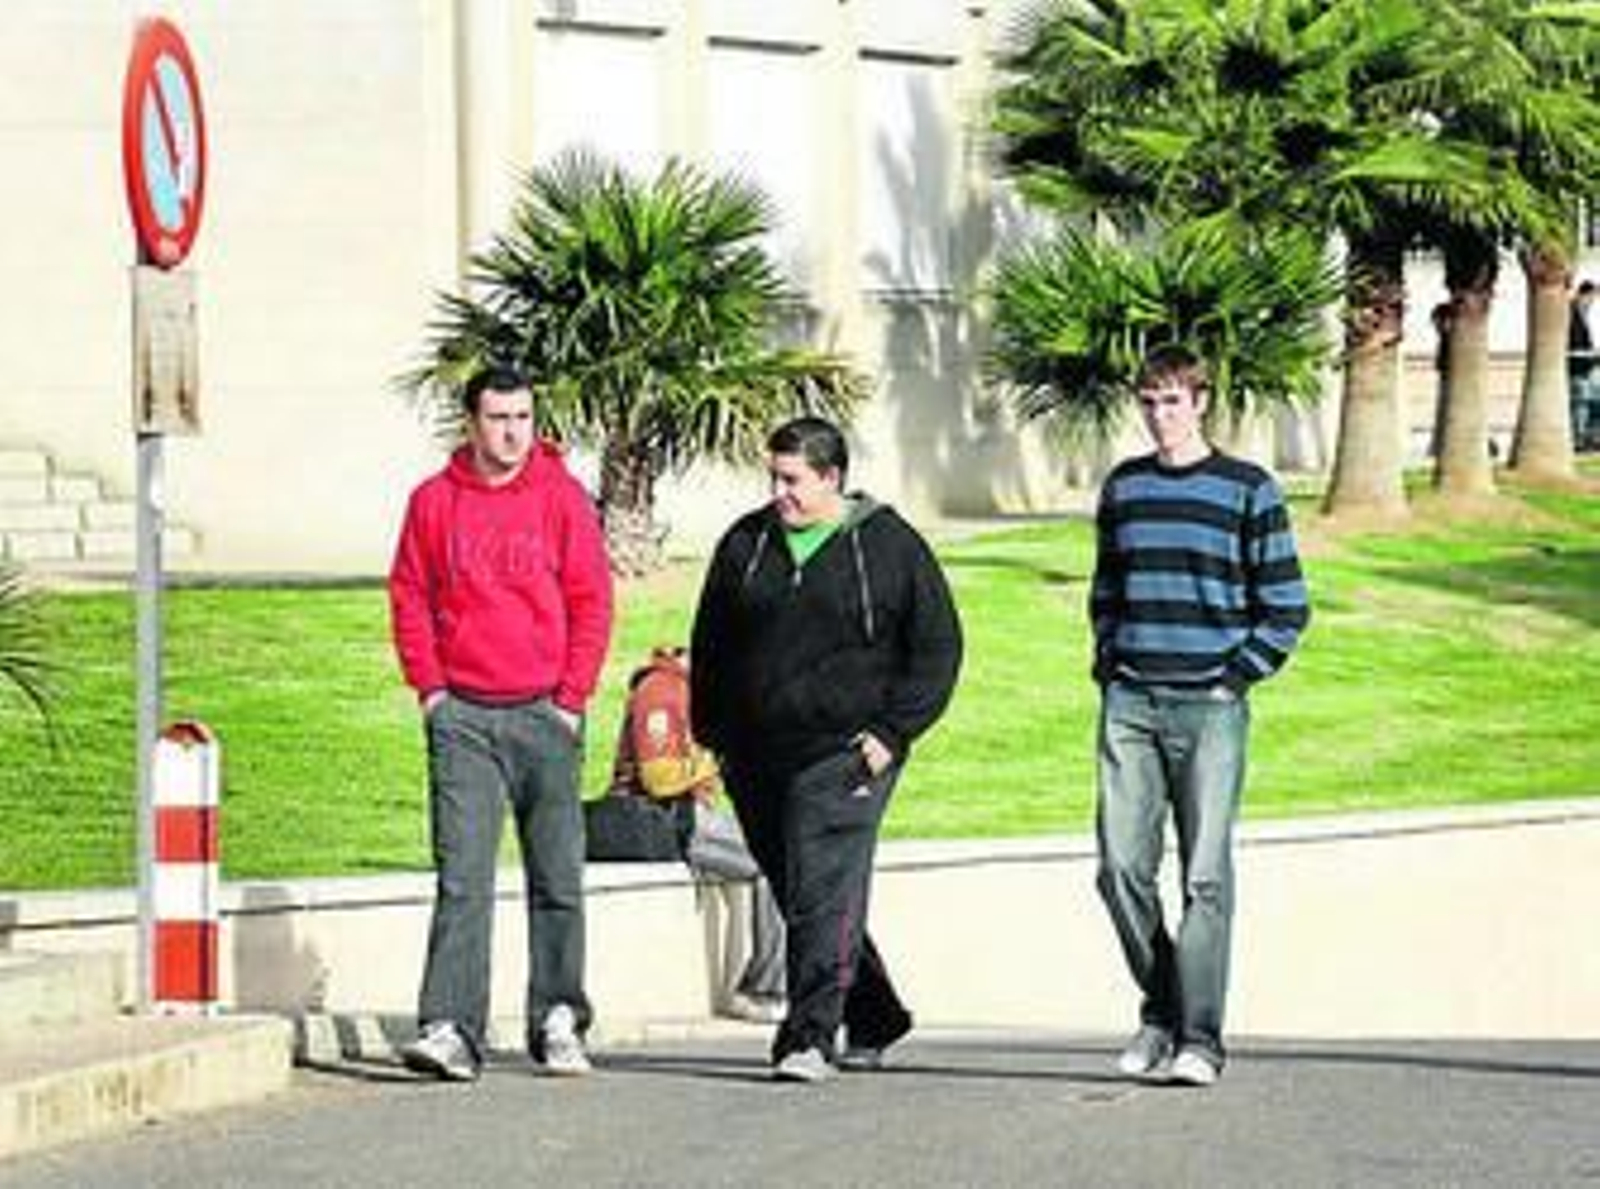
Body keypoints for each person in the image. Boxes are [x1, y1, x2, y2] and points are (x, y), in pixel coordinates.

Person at [689, 416, 963, 1084]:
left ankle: (808, 1035)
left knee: (821, 883)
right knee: (799, 888)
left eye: (793, 479)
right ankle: (874, 1012)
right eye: (773, 478)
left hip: (845, 751)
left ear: (832, 477)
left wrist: (892, 733)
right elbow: (712, 644)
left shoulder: (890, 545)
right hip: (754, 752)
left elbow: (938, 647)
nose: (779, 492)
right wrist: (712, 733)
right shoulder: (746, 543)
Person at [1089, 344, 1309, 1089]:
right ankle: (1163, 1009)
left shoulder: (1249, 488)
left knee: (1205, 876)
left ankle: (1200, 1040)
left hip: (1211, 708)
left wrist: (1231, 678)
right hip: (1130, 701)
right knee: (1119, 867)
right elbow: (1106, 592)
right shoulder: (1124, 487)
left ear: (1201, 401)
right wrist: (1108, 662)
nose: (1160, 415)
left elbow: (1287, 607)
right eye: (1148, 401)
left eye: (1173, 401)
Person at [388, 363, 614, 1082]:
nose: (513, 431)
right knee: (463, 877)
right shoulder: (432, 502)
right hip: (463, 720)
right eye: (498, 418)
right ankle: (451, 1025)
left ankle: (558, 1016)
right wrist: (430, 691)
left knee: (557, 876)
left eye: (523, 417)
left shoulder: (563, 499)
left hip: (545, 714)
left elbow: (591, 601)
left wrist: (572, 699)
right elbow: (409, 595)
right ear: (472, 423)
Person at [605, 646, 787, 1022]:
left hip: (686, 815)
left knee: (786, 846)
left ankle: (772, 986)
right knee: (778, 857)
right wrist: (716, 758)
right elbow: (659, 778)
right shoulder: (661, 690)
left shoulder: (688, 690)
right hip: (665, 818)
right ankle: (762, 991)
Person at [1568, 280, 1598, 450]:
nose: (1592, 302)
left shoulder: (1581, 314)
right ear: (1584, 294)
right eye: (1592, 297)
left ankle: (1588, 437)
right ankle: (1579, 440)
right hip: (1577, 368)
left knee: (1591, 402)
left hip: (1586, 366)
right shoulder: (1572, 312)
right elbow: (1575, 343)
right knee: (1580, 404)